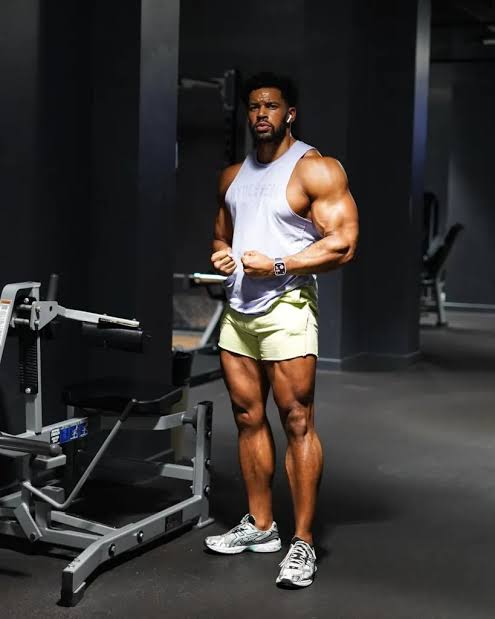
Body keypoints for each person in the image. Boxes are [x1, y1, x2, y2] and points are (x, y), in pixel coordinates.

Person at [204, 72, 359, 588]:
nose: (261, 114)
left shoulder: (315, 169)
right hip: (238, 312)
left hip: (287, 307)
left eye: (271, 105)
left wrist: (279, 264)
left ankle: (304, 542)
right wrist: (222, 256)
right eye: (254, 106)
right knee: (248, 417)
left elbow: (343, 243)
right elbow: (222, 235)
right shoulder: (232, 176)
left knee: (297, 421)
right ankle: (261, 525)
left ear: (290, 113)